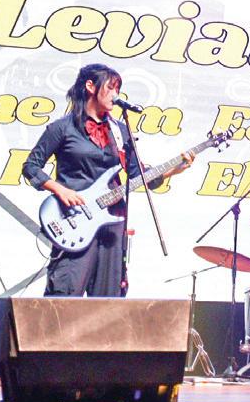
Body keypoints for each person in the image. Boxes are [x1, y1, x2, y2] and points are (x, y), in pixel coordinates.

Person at [23, 63, 193, 297]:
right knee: (65, 295)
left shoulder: (119, 130)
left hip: (112, 224)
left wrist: (172, 171)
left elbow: (137, 175)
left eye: (118, 89)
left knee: (109, 302)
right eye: (111, 88)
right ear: (90, 86)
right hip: (74, 219)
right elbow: (31, 166)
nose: (116, 94)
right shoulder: (63, 128)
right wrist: (60, 190)